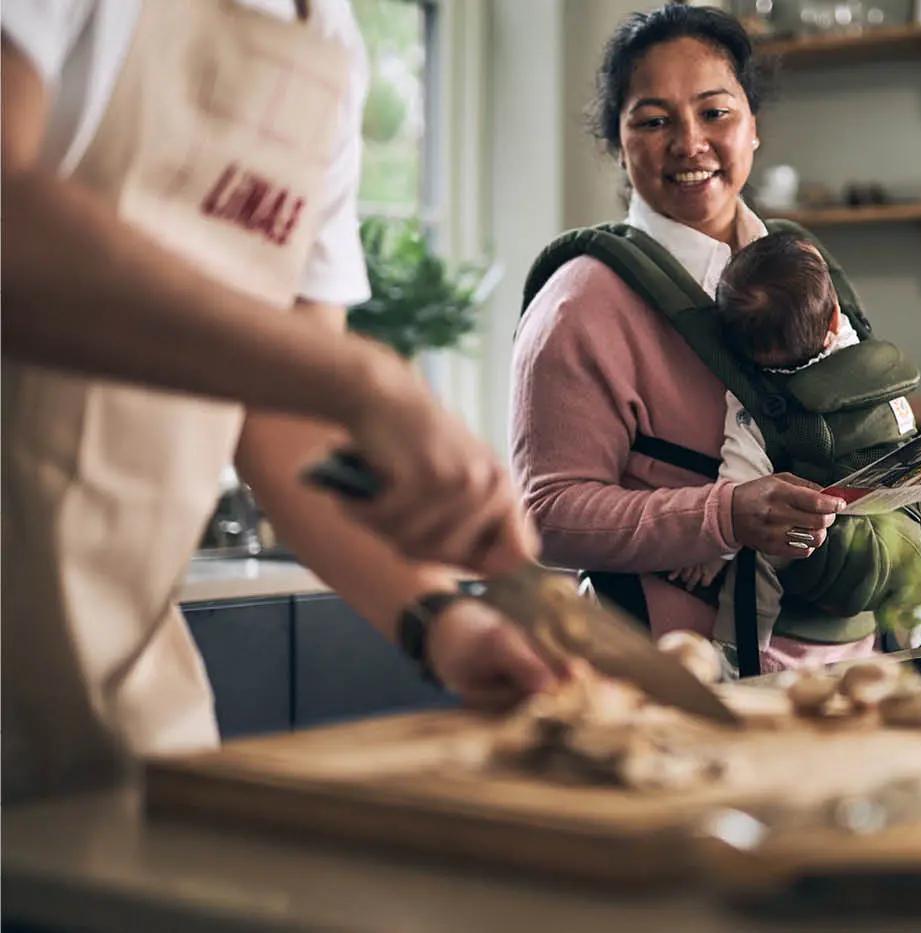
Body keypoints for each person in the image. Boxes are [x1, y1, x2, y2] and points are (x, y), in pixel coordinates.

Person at [1, 0, 555, 799]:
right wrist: (368, 381)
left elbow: (282, 420)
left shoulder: (324, 42)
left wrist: (443, 618)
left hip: (111, 684)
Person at [512, 5, 921, 674]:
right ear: (617, 142)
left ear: (754, 128)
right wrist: (725, 514)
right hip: (672, 686)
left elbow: (859, 441)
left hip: (851, 673)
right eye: (654, 120)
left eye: (715, 112)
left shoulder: (800, 263)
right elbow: (545, 515)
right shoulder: (582, 302)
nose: (689, 143)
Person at [668, 232, 921, 652]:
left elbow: (740, 474)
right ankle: (914, 623)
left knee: (758, 563)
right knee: (915, 546)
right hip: (891, 476)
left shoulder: (751, 401)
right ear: (833, 321)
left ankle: (738, 651)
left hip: (817, 516)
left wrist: (713, 551)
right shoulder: (853, 339)